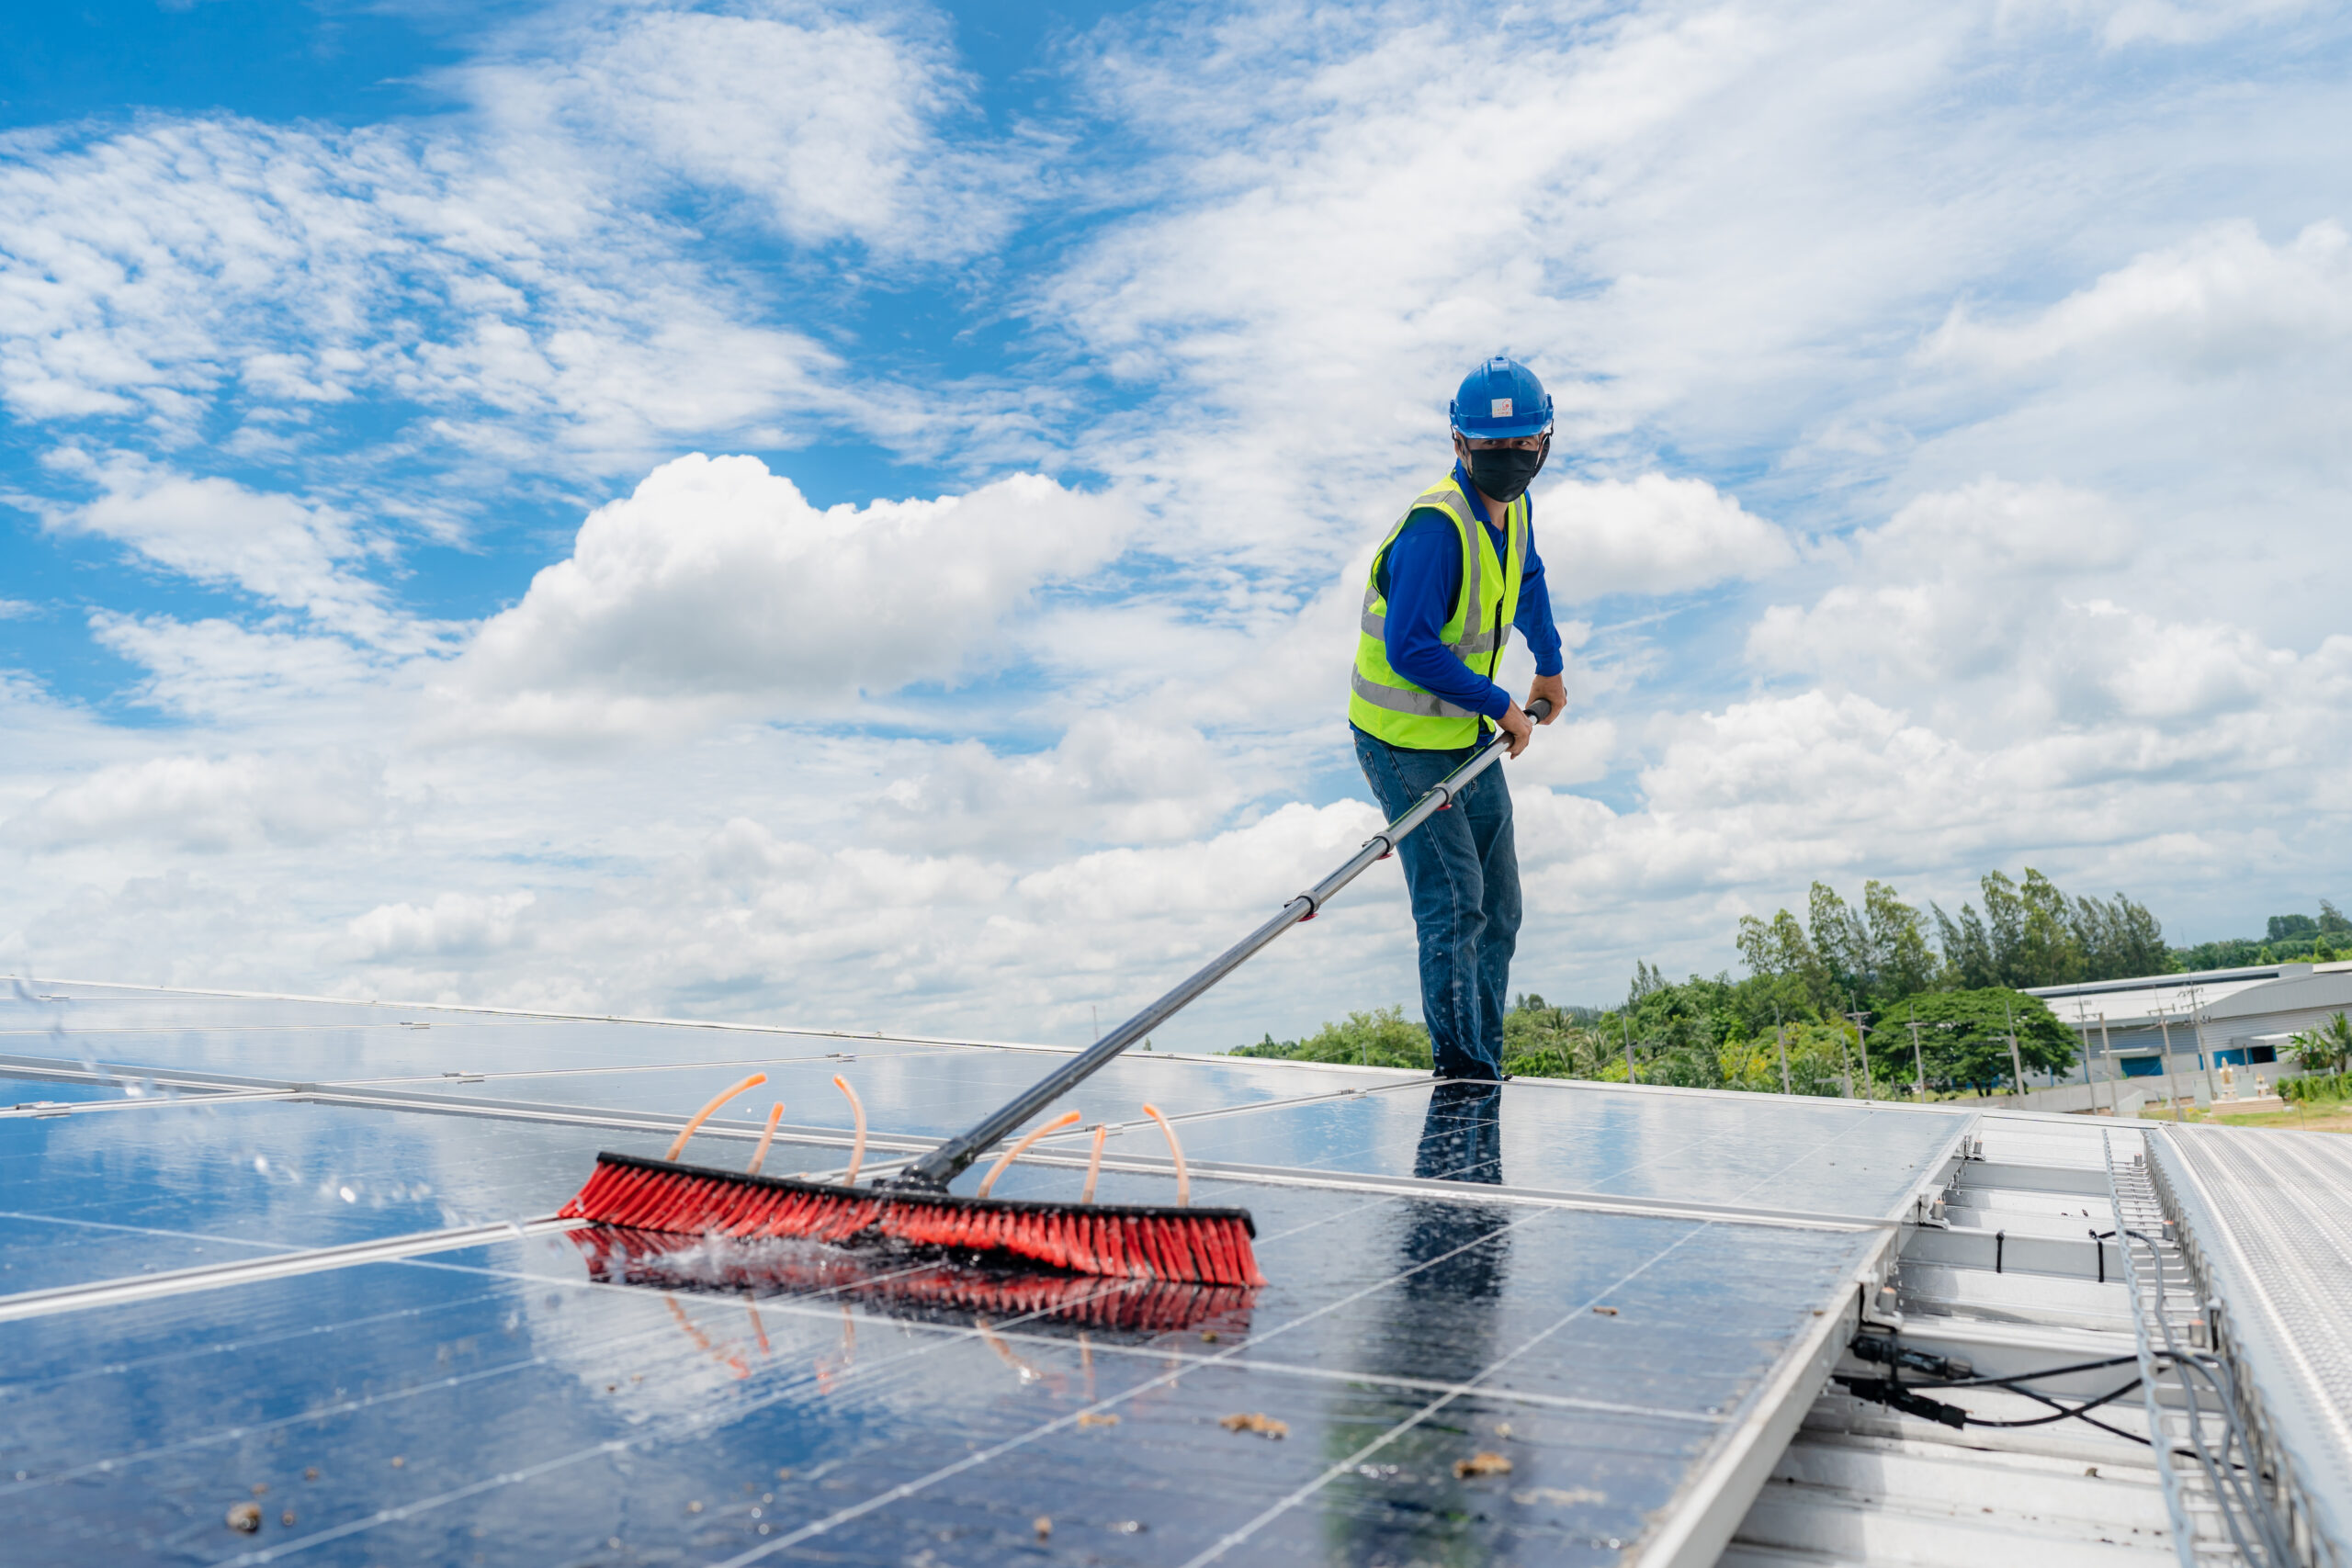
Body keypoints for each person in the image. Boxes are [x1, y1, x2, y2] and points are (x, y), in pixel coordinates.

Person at [1349, 355, 1566, 1080]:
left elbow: (1526, 576)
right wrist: (1502, 703)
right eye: (1492, 449)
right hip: (1399, 741)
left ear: (1544, 442)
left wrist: (1550, 663)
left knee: (1499, 907)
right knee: (1455, 903)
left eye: (1522, 447)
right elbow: (1410, 647)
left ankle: (1486, 1063)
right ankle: (1463, 1072)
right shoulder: (1436, 530)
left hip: (1461, 734)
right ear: (1458, 444)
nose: (1508, 461)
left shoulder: (1517, 507)